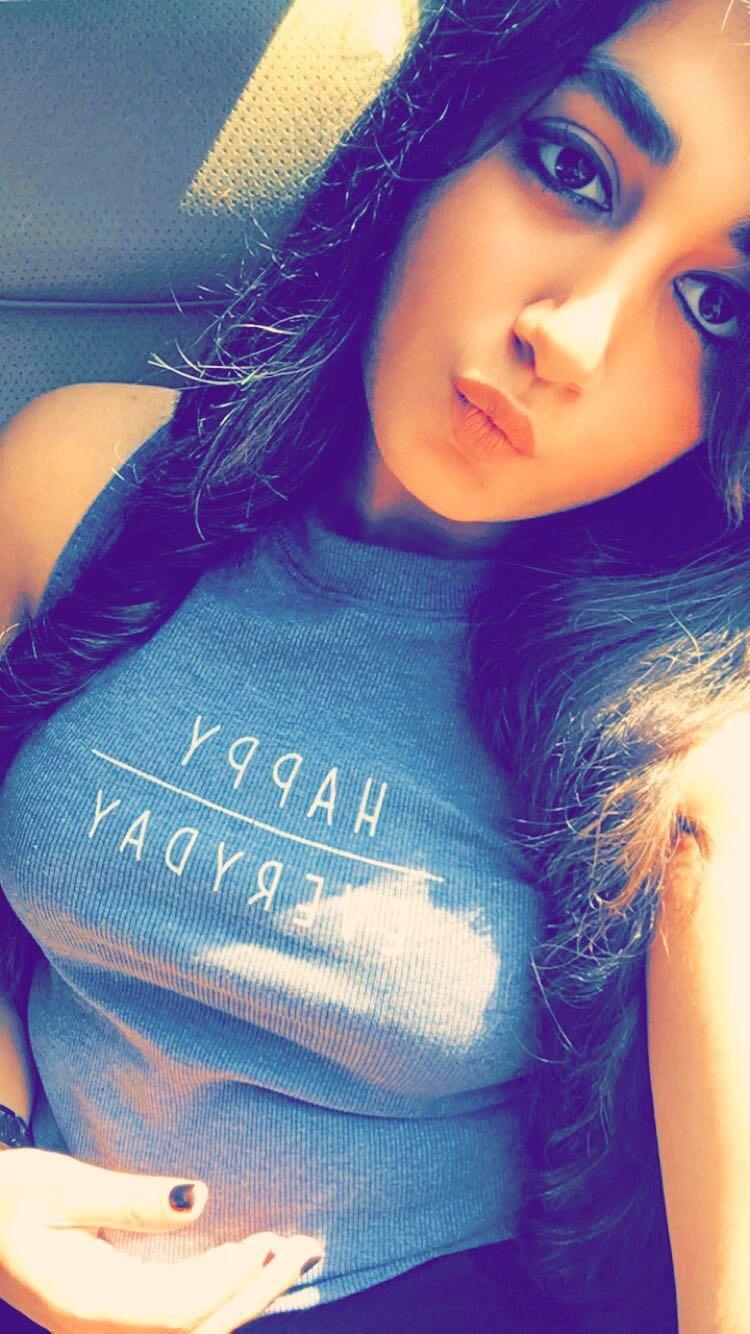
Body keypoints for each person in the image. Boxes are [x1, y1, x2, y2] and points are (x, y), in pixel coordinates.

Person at [0, 0, 747, 1327]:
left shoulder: (692, 749)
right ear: (445, 122)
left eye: (714, 302)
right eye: (571, 166)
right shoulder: (77, 480)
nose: (570, 336)